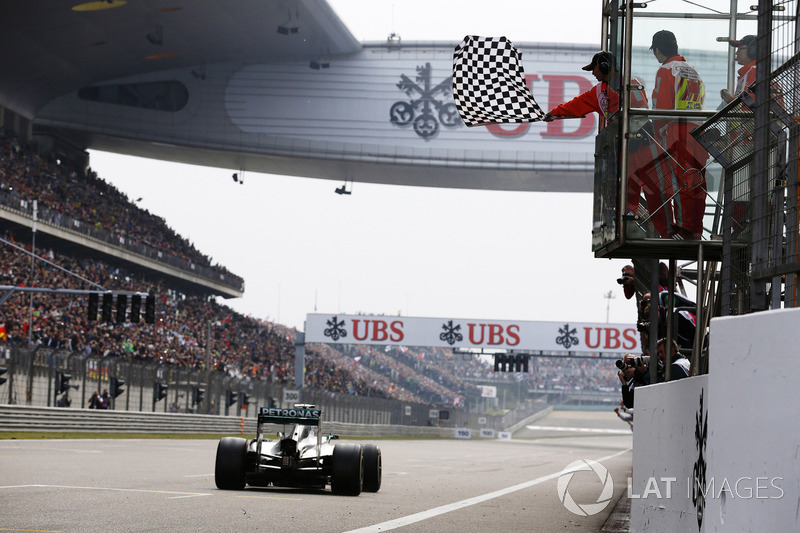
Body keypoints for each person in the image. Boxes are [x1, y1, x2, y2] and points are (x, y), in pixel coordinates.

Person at [544, 51, 670, 236]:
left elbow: (638, 111)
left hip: (643, 143)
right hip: (627, 147)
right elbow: (577, 104)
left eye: (594, 68)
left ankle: (665, 230)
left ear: (603, 66)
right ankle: (628, 222)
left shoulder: (631, 83)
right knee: (628, 190)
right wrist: (554, 113)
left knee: (654, 189)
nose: (593, 73)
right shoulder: (600, 91)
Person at [647, 30, 709, 240]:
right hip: (697, 132)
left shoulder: (665, 70)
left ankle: (685, 229)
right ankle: (695, 230)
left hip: (676, 132)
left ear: (657, 49)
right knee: (697, 181)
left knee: (681, 181)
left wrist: (657, 132)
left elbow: (661, 107)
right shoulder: (692, 70)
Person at [721, 35, 756, 104]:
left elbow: (753, 106)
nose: (736, 53)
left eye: (740, 48)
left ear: (752, 51)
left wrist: (731, 101)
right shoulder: (750, 71)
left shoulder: (755, 71)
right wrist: (731, 100)